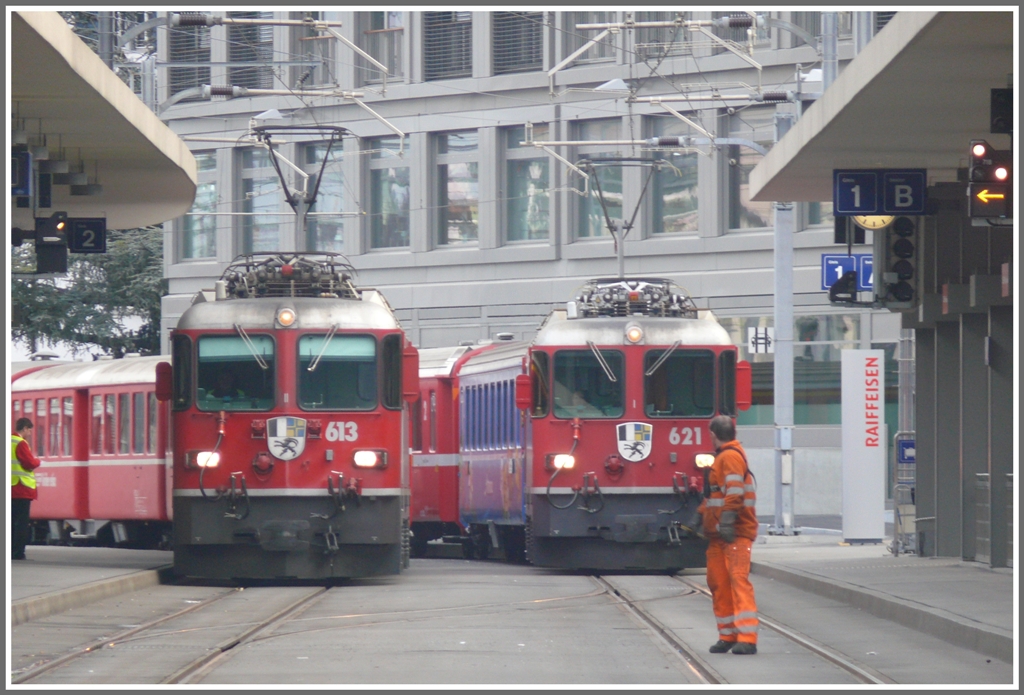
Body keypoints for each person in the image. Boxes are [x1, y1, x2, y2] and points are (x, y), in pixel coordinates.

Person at [698, 414, 759, 655]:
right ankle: (728, 635)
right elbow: (717, 495)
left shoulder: (730, 457)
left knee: (737, 582)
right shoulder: (724, 457)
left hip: (734, 533)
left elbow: (734, 493)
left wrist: (726, 522)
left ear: (712, 435)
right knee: (718, 583)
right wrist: (699, 515)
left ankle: (747, 638)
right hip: (720, 535)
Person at [11, 417, 41, 560]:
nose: (30, 433)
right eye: (29, 430)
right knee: (21, 523)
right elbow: (29, 463)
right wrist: (38, 461)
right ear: (24, 428)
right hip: (20, 488)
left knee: (9, 522)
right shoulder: (20, 443)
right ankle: (18, 552)